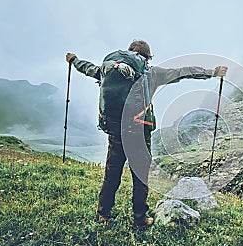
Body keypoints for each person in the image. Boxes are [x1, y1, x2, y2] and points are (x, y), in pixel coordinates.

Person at [66, 40, 227, 229]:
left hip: (116, 131)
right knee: (140, 177)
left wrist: (74, 59)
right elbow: (183, 72)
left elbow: (87, 68)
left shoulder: (109, 70)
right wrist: (212, 72)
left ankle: (104, 213)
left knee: (112, 174)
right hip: (139, 132)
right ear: (147, 57)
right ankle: (139, 219)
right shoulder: (151, 73)